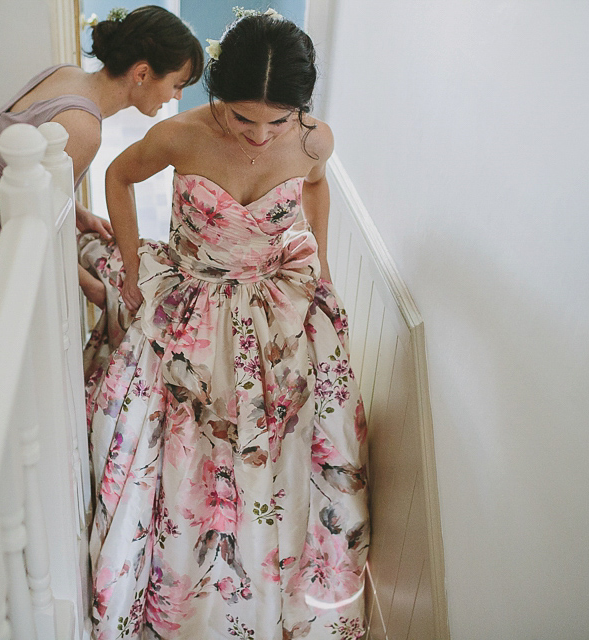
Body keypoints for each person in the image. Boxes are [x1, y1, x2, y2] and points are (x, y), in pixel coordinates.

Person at [86, 10, 370, 639]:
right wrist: (133, 268)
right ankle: (185, 598)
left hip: (277, 311)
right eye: (243, 118)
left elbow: (316, 186)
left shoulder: (315, 139)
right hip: (193, 303)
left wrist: (317, 262)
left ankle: (267, 594)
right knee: (188, 451)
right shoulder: (181, 134)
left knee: (280, 453)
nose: (262, 136)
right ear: (216, 95)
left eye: (278, 120)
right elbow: (117, 176)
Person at [0, 6, 203, 435]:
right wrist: (97, 288)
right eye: (176, 84)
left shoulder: (65, 74)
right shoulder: (83, 128)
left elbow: (20, 176)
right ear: (142, 73)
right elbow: (39, 240)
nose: (176, 98)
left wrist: (77, 212)